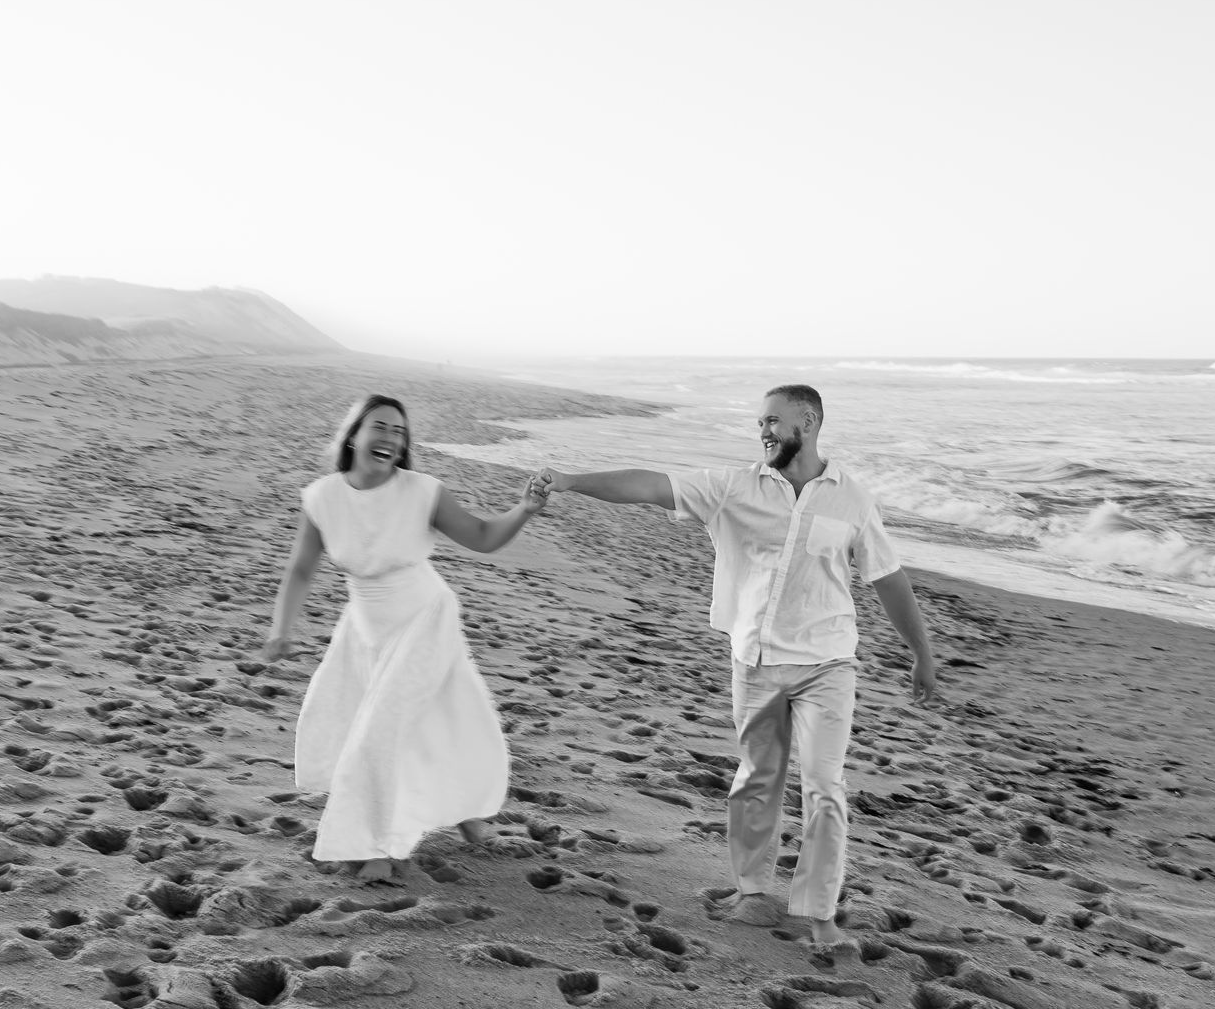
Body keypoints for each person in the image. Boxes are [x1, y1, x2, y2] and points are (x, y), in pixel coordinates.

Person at [539, 384, 937, 952]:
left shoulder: (852, 497)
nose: (764, 431)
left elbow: (887, 577)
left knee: (825, 785)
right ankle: (754, 891)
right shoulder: (733, 487)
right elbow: (653, 486)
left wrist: (921, 653)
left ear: (810, 419)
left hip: (828, 662)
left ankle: (819, 912)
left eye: (773, 421)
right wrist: (572, 482)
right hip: (754, 659)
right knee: (757, 779)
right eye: (760, 423)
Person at [261, 393, 547, 883]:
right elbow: (301, 568)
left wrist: (523, 509)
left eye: (400, 432)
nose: (392, 438)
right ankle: (467, 815)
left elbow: (481, 536)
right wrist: (281, 629)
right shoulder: (323, 497)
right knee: (434, 719)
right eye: (381, 427)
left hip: (424, 618)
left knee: (383, 731)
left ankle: (375, 845)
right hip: (366, 627)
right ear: (354, 434)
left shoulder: (422, 491)